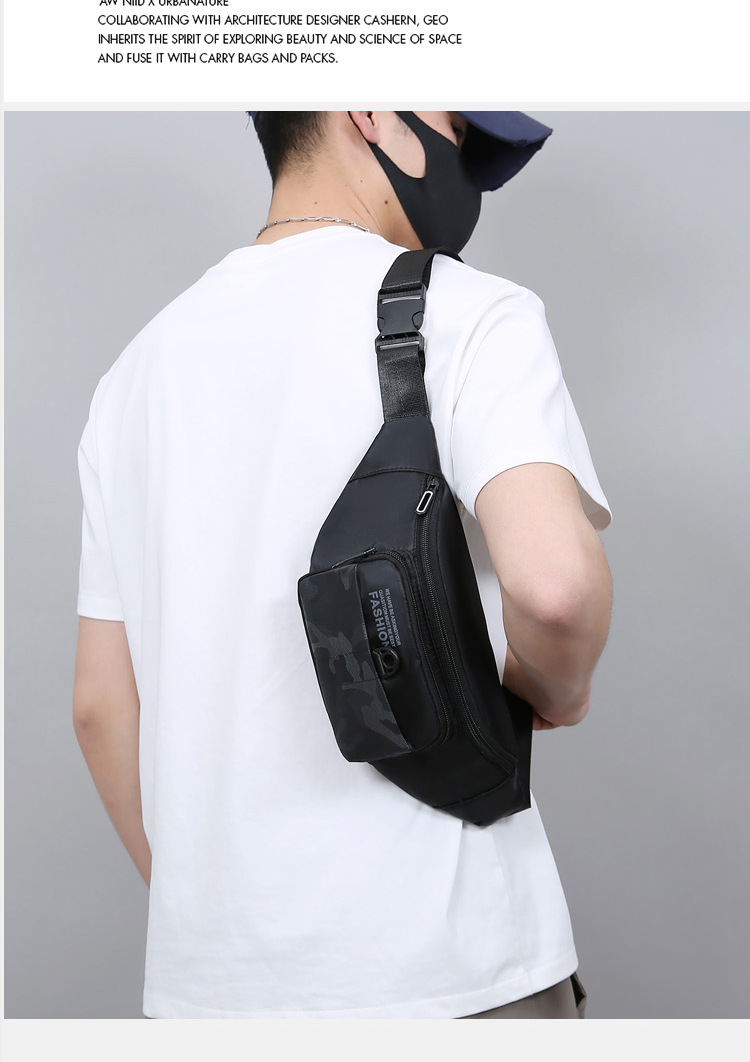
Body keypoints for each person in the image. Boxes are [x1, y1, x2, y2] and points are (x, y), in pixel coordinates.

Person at [73, 110, 613, 1019]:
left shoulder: (133, 375)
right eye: (456, 130)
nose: (465, 171)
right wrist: (558, 688)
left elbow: (98, 707)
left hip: (213, 996)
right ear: (368, 105)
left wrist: (216, 931)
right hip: (448, 969)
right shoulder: (468, 310)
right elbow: (556, 591)